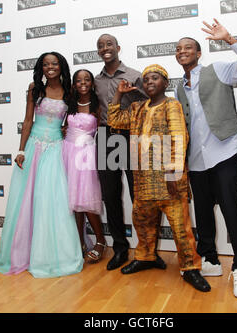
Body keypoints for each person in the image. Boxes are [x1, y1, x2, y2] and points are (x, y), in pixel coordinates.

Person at [174, 19, 237, 298]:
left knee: (231, 209)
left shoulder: (218, 70)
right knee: (202, 213)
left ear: (199, 53)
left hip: (223, 152)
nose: (182, 51)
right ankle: (209, 259)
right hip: (196, 160)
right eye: (178, 49)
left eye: (188, 47)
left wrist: (230, 39)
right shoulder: (178, 88)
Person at [107, 64, 211, 292]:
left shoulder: (171, 105)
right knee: (142, 223)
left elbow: (179, 137)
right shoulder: (136, 108)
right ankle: (146, 257)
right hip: (143, 181)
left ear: (165, 83)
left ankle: (190, 268)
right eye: (146, 80)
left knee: (180, 228)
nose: (150, 82)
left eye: (155, 78)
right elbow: (113, 119)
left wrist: (174, 172)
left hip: (168, 182)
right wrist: (119, 93)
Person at [0, 52, 84, 278]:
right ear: (41, 68)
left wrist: (66, 131)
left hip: (55, 149)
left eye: (54, 64)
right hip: (34, 147)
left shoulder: (69, 91)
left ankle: (50, 255)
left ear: (61, 67)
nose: (50, 67)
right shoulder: (35, 88)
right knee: (27, 201)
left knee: (52, 202)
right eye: (45, 64)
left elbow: (72, 119)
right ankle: (22, 254)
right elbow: (27, 120)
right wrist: (21, 149)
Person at [95, 33, 148, 270]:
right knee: (111, 195)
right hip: (107, 137)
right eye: (101, 46)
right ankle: (119, 249)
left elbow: (153, 102)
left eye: (109, 44)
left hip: (131, 135)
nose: (105, 48)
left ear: (118, 47)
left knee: (139, 195)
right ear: (98, 51)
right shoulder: (95, 81)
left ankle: (146, 250)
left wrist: (135, 92)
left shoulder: (135, 75)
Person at [62, 69, 106, 263]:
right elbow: (63, 126)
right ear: (73, 84)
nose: (83, 83)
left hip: (86, 155)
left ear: (92, 83)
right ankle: (79, 241)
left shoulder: (98, 105)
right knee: (74, 202)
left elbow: (104, 129)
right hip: (67, 153)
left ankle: (100, 241)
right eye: (78, 80)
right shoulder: (69, 104)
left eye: (86, 79)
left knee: (86, 200)